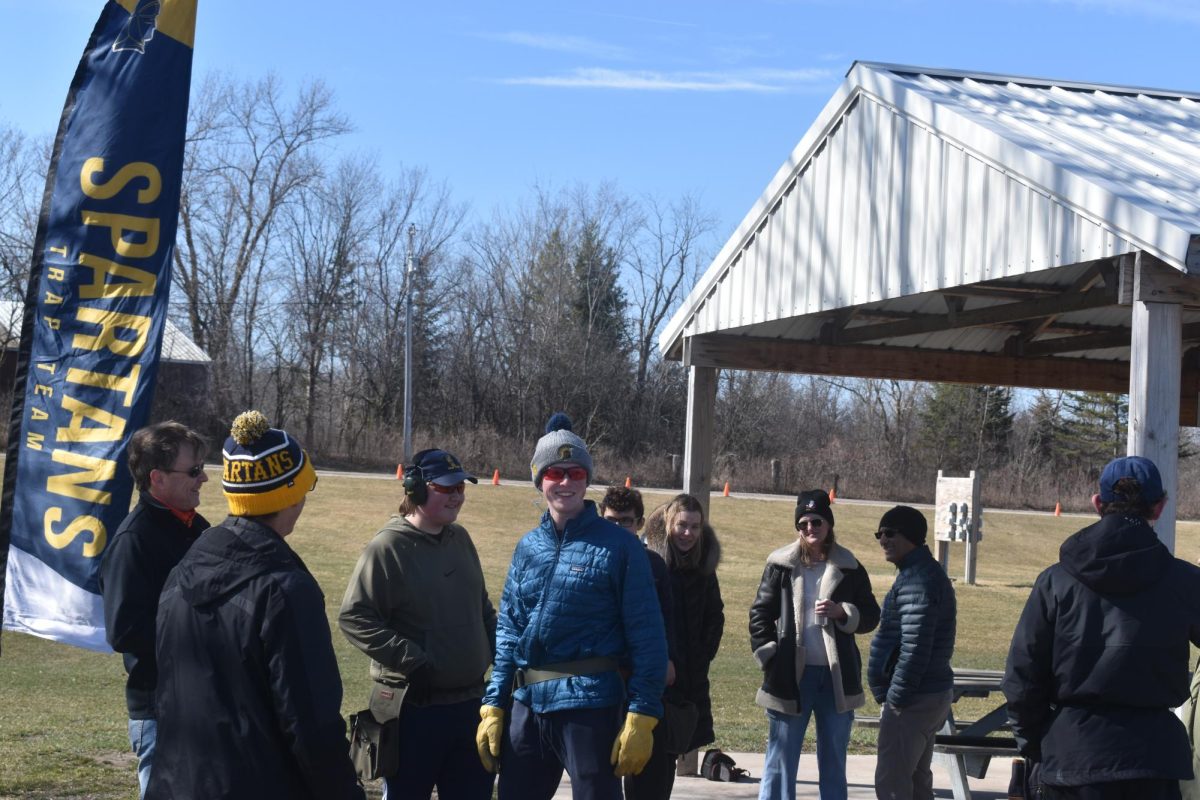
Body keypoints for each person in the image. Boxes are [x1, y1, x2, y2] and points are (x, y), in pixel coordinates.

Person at [146, 411, 364, 800]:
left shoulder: (181, 573)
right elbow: (310, 725)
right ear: (290, 495)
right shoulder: (285, 590)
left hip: (176, 783)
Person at [476, 413, 667, 800]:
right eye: (555, 473)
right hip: (527, 706)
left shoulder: (620, 546)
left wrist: (643, 714)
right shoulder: (528, 547)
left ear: (587, 479)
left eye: (576, 473)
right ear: (539, 479)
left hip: (591, 707)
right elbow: (509, 629)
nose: (565, 482)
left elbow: (648, 636)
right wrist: (494, 704)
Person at [1004, 456, 1200, 800]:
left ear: (1098, 503)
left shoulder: (1057, 581)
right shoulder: (1184, 581)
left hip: (1074, 754)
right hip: (1155, 758)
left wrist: (1036, 742)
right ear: (1160, 507)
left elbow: (1023, 676)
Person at [339, 448, 497, 800]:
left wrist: (502, 659)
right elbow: (354, 616)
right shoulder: (388, 547)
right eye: (447, 488)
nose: (457, 496)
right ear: (416, 489)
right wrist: (410, 658)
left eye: (461, 488)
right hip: (414, 710)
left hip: (471, 705)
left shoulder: (461, 539)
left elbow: (481, 607)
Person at [99, 422, 210, 798]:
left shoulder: (199, 529)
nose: (204, 478)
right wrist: (197, 631)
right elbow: (123, 630)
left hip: (203, 703)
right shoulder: (134, 540)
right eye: (194, 470)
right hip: (160, 710)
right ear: (157, 479)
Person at [749, 489, 880, 800]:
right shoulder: (780, 564)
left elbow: (872, 615)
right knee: (781, 758)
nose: (810, 528)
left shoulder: (849, 566)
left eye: (816, 521)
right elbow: (759, 614)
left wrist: (843, 613)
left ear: (829, 523)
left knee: (834, 758)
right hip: (791, 676)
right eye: (803, 523)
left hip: (836, 676)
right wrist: (769, 656)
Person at [867, 505, 956, 800]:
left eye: (890, 533)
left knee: (893, 785)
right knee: (917, 785)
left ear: (912, 536)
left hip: (913, 700)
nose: (883, 540)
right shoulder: (917, 574)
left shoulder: (919, 580)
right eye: (879, 534)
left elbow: (915, 647)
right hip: (926, 695)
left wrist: (896, 699)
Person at [598, 486, 678, 800]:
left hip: (644, 676)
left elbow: (667, 617)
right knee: (602, 768)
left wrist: (669, 658)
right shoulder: (591, 559)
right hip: (604, 677)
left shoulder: (654, 565)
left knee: (649, 769)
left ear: (640, 523)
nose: (618, 528)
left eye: (626, 522)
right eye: (611, 520)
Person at [644, 493, 724, 768]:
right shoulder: (651, 564)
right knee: (645, 755)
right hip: (654, 673)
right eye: (682, 525)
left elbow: (715, 615)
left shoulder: (704, 567)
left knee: (671, 750)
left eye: (694, 526)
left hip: (691, 673)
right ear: (669, 524)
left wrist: (703, 654)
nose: (688, 533)